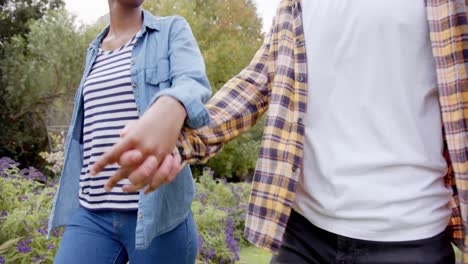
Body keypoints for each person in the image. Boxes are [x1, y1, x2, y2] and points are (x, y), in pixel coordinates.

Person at [92, 0, 468, 263]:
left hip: (409, 236)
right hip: (303, 234)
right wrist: (179, 142)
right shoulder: (295, 4)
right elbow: (257, 82)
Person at [48, 0, 212, 263]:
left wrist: (172, 104)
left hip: (159, 215)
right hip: (92, 212)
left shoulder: (171, 30)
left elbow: (192, 82)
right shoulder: (93, 51)